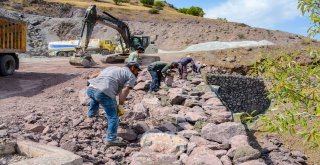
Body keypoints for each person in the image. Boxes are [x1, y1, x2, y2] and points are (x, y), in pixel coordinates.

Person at [86, 62, 141, 146]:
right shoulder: (131, 75)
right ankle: (111, 139)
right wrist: (120, 105)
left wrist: (90, 80)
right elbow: (125, 90)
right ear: (133, 67)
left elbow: (95, 75)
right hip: (103, 92)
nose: (137, 72)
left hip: (91, 88)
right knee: (113, 116)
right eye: (137, 70)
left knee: (95, 97)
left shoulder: (112, 67)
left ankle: (92, 115)